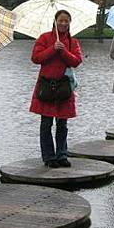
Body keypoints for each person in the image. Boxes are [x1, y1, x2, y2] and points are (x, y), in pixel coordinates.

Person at [30, 10, 83, 168]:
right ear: (55, 21)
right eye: (61, 20)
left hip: (64, 87)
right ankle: (48, 157)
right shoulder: (44, 38)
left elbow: (76, 61)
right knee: (46, 123)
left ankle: (62, 154)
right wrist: (53, 48)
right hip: (46, 85)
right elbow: (36, 58)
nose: (63, 24)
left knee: (62, 124)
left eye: (66, 21)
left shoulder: (73, 42)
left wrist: (63, 51)